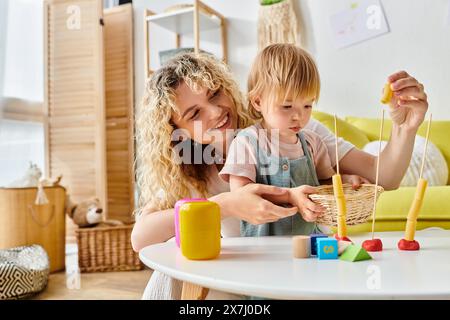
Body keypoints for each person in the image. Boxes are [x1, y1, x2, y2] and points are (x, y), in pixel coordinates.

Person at [131, 52, 428, 299]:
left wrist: (405, 127)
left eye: (215, 94)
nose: (215, 112)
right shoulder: (188, 169)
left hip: (303, 268)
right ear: (178, 132)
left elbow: (384, 176)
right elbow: (141, 237)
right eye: (194, 114)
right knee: (171, 273)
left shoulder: (295, 129)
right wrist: (226, 205)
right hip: (251, 278)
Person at [219, 44, 369, 237]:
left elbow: (325, 182)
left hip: (312, 239)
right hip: (264, 247)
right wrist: (288, 195)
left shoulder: (312, 143)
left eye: (307, 105)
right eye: (287, 106)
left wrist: (346, 180)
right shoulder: (246, 142)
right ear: (258, 102)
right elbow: (240, 196)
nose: (299, 116)